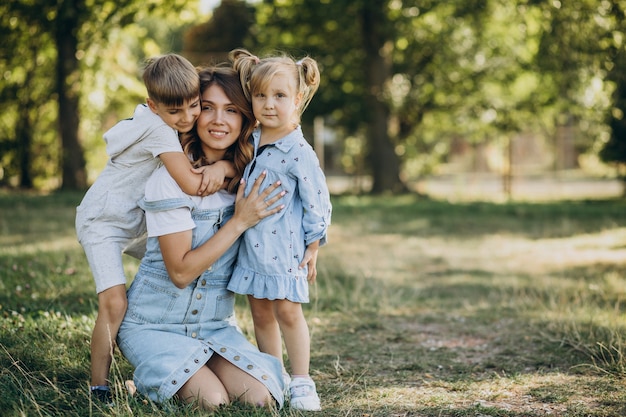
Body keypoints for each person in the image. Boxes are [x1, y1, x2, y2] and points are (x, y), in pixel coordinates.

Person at [117, 66, 286, 410]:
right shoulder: (171, 180)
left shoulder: (247, 178)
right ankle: (151, 379)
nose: (218, 120)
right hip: (153, 325)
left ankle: (190, 370)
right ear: (193, 112)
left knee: (261, 400)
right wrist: (237, 223)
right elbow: (180, 273)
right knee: (211, 402)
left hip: (213, 326)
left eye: (231, 110)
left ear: (245, 120)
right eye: (207, 107)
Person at [76, 53, 234, 403]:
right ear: (153, 105)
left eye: (194, 107)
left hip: (136, 219)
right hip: (103, 222)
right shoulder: (158, 129)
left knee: (170, 262)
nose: (188, 118)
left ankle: (157, 339)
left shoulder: (167, 119)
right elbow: (192, 185)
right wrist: (224, 167)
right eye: (175, 111)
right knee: (115, 303)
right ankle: (99, 387)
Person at [228, 48, 332, 411]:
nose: (269, 104)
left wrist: (314, 245)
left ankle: (302, 379)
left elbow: (317, 199)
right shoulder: (253, 138)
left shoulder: (298, 150)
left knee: (288, 312)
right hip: (252, 248)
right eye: (260, 96)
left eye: (280, 95)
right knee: (259, 312)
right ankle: (273, 374)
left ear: (298, 99)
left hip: (285, 250)